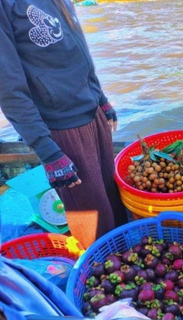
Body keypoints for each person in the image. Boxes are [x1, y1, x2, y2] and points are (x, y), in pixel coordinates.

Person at [0, 0, 128, 240]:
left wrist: (101, 98)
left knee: (113, 198)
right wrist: (49, 152)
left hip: (92, 112)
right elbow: (8, 88)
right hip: (61, 127)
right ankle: (101, 266)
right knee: (93, 219)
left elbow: (80, 52)